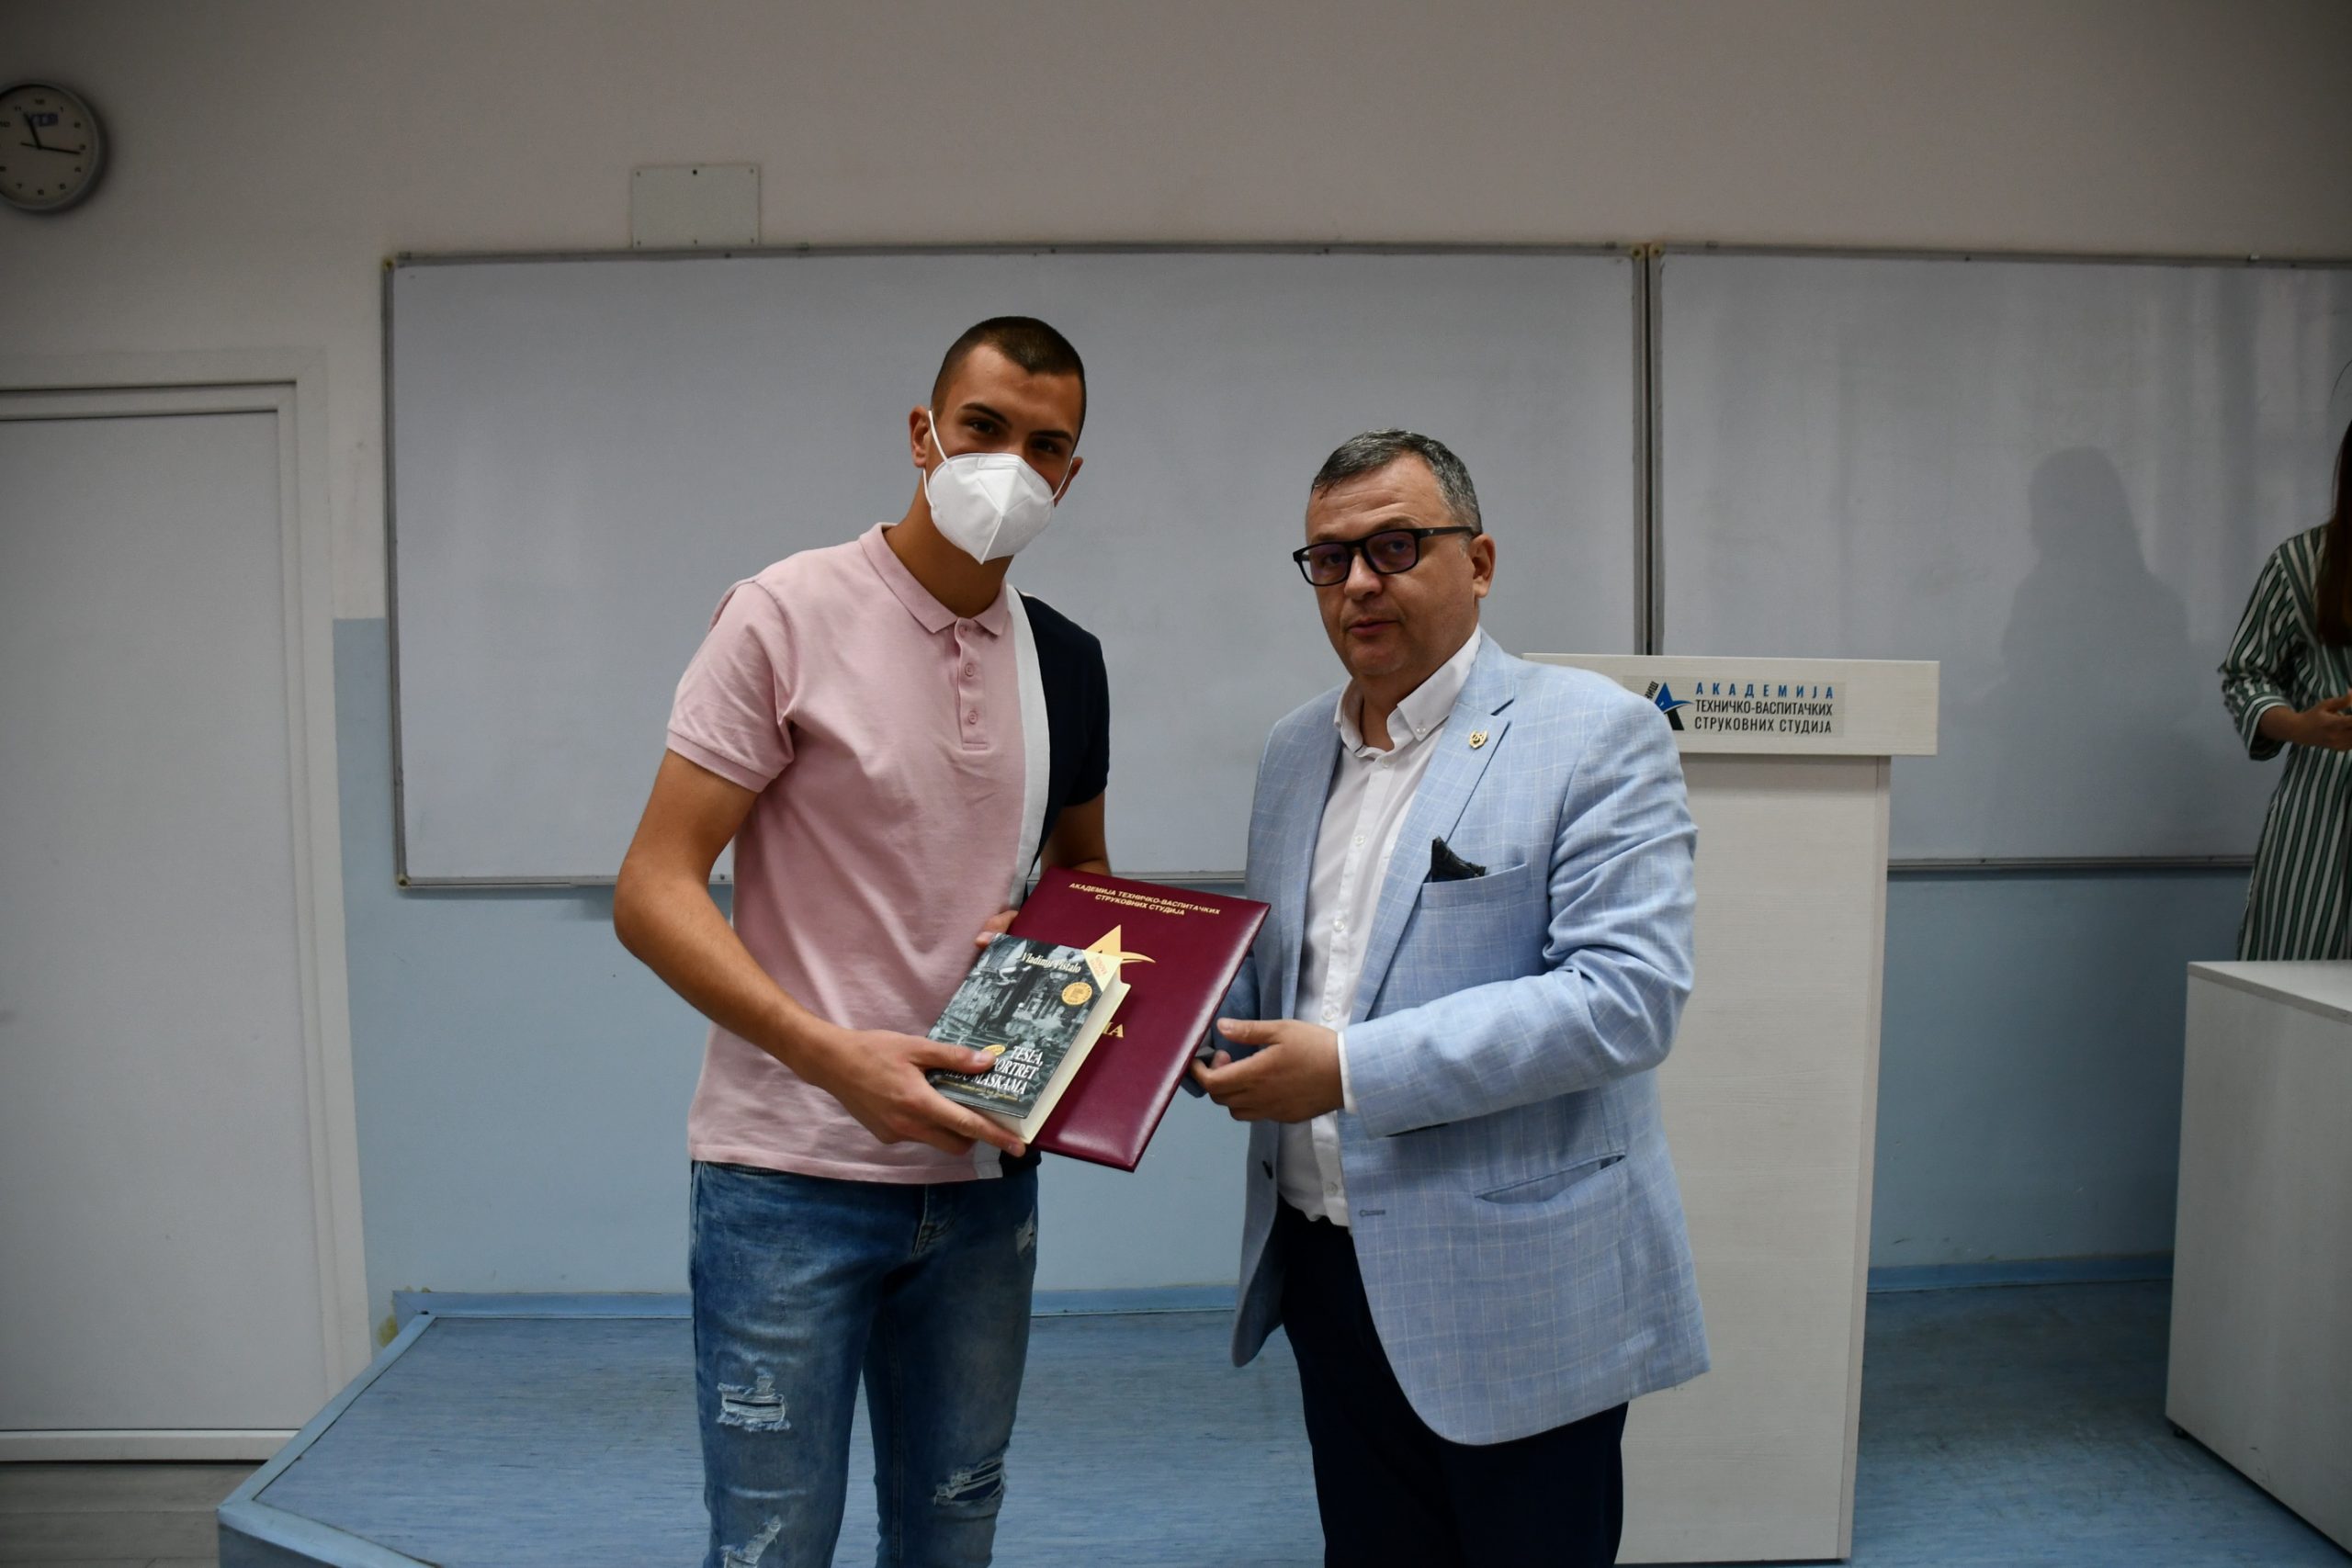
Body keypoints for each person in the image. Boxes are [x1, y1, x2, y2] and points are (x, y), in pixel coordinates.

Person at [613, 317, 1111, 1568]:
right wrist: (832, 1059)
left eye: (1045, 446)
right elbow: (653, 887)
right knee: (773, 1541)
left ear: (1070, 476)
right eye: (984, 427)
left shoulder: (1068, 662)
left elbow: (1088, 889)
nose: (1009, 465)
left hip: (984, 1180)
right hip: (786, 1178)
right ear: (923, 433)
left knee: (953, 1527)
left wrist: (1053, 934)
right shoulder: (782, 615)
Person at [1193, 430, 1706, 1567]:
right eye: (1330, 558)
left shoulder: (1596, 733)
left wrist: (1345, 1069)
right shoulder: (1293, 750)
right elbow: (1280, 972)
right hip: (1325, 1266)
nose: (1358, 583)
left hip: (1515, 1280)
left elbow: (1624, 998)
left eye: (1395, 547)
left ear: (1478, 562)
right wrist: (1131, 1003)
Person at [2221, 420, 2352, 960]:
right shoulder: (2304, 562)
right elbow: (2245, 674)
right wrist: (2300, 726)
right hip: (2325, 814)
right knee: (2298, 978)